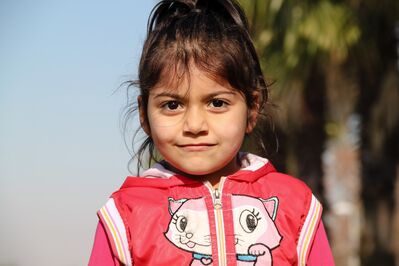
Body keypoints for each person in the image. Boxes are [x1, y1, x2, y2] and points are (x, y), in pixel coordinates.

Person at [89, 0, 334, 265]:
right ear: (144, 115)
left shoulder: (295, 206)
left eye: (217, 103)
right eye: (172, 105)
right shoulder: (125, 216)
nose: (194, 125)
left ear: (252, 109)